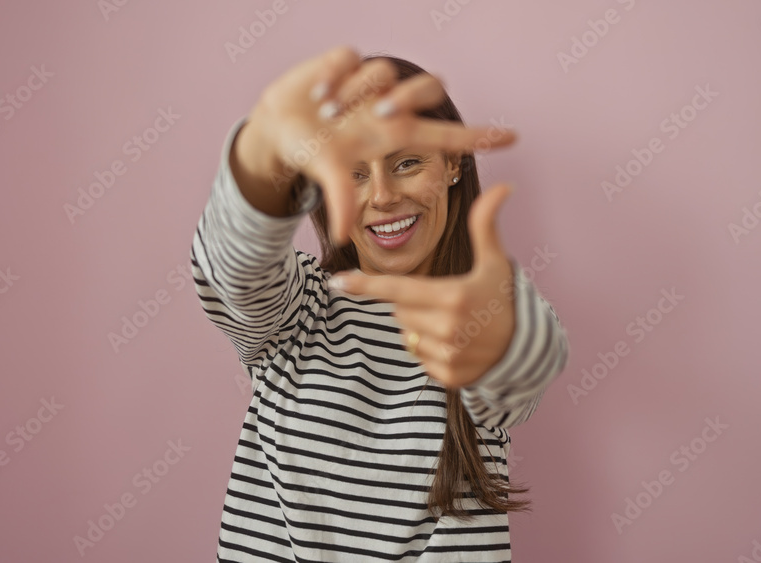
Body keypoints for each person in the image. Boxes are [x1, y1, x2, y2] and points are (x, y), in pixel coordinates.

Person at [190, 45, 569, 562]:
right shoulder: (297, 307)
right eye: (355, 172)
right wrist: (261, 155)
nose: (383, 196)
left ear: (452, 164)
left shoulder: (484, 311)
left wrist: (500, 338)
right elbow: (230, 271)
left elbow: (524, 367)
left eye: (406, 162)